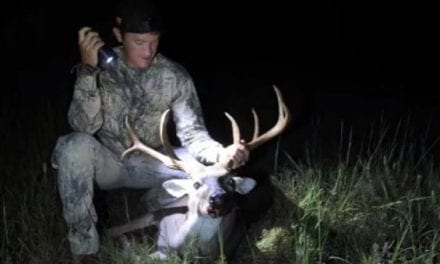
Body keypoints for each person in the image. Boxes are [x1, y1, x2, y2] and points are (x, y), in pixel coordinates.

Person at [50, 0, 249, 262]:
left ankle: (165, 218)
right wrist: (87, 70)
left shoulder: (174, 75)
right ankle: (86, 250)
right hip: (110, 163)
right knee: (73, 146)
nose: (148, 50)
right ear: (119, 36)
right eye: (139, 42)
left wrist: (222, 153)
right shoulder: (99, 70)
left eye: (154, 41)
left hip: (153, 164)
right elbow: (82, 126)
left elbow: (193, 134)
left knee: (210, 171)